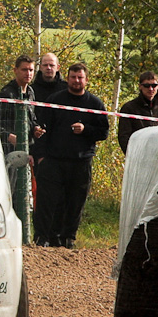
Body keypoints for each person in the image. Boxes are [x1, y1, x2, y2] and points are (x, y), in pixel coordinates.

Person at [32, 63, 109, 249]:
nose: (76, 81)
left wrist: (85, 129)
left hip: (81, 162)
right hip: (54, 161)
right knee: (47, 202)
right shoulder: (55, 100)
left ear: (86, 80)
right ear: (67, 79)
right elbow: (41, 130)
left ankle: (68, 238)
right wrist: (41, 156)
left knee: (75, 203)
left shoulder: (95, 104)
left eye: (80, 77)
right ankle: (43, 238)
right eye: (73, 77)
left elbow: (103, 132)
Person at [0, 55, 44, 155]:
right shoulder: (6, 94)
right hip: (7, 150)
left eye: (31, 70)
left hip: (27, 147)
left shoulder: (30, 92)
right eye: (24, 70)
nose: (28, 73)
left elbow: (31, 118)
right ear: (15, 70)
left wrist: (36, 128)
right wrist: (8, 136)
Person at [117, 71, 158, 154]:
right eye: (146, 86)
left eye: (154, 85)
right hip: (137, 154)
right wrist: (131, 154)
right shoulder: (129, 108)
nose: (150, 89)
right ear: (140, 86)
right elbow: (124, 136)